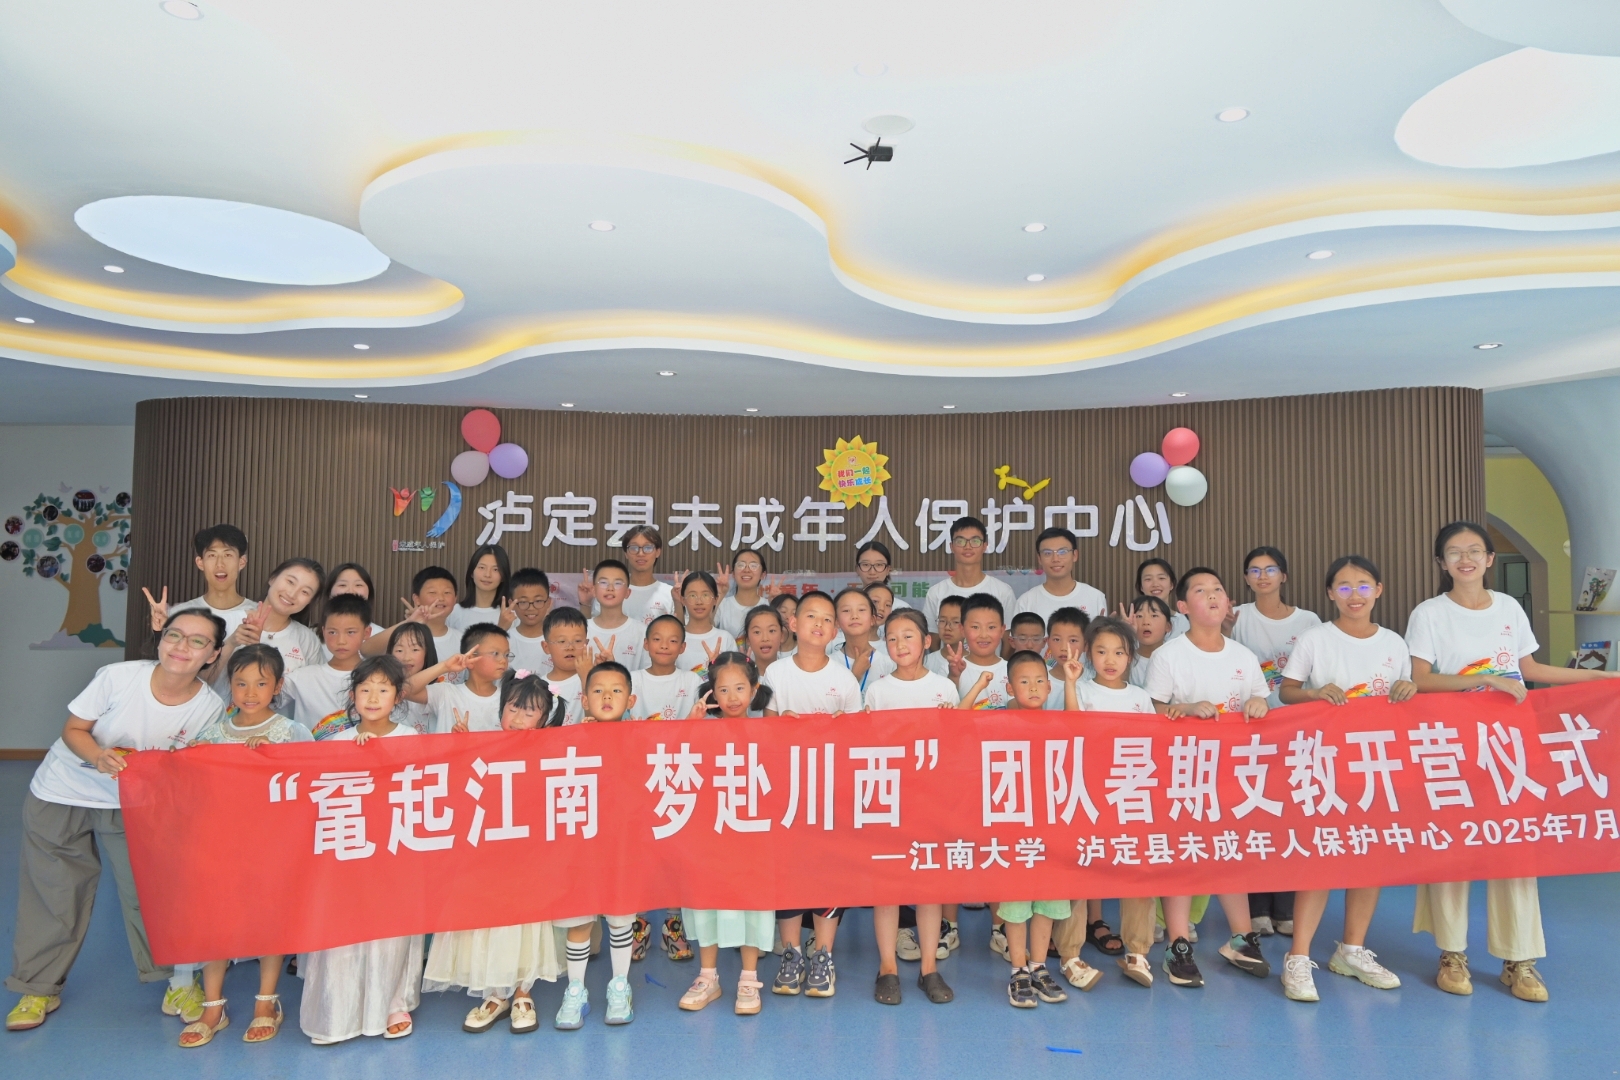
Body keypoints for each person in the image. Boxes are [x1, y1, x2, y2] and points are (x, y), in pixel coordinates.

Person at [1406, 520, 1620, 1002]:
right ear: (1442, 563)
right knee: (1455, 845)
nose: (1465, 559)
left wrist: (1604, 681)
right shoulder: (1429, 613)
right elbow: (1420, 680)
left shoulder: (1508, 608)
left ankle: (1519, 960)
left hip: (1512, 747)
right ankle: (1452, 954)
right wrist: (1485, 681)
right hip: (1454, 745)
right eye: (1454, 552)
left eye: (1474, 551)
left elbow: (1531, 670)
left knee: (1516, 846)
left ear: (1489, 559)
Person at [6, 610, 226, 1034]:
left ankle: (178, 983)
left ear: (213, 654)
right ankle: (38, 987)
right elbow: (74, 729)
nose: (181, 647)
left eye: (198, 641)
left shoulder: (208, 707)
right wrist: (97, 756)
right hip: (61, 792)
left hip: (133, 803)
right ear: (161, 639)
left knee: (150, 893)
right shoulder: (118, 677)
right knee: (55, 894)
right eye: (174, 635)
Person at [1273, 555, 1411, 1002]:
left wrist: (1409, 689)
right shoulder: (1316, 639)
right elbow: (1286, 691)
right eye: (1345, 587)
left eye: (1364, 585)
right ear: (1331, 593)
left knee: (1369, 857)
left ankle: (1351, 950)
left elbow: (1405, 697)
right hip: (1325, 764)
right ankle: (1297, 956)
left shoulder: (1394, 643)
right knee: (1321, 857)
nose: (1355, 595)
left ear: (1379, 590)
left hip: (1377, 765)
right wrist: (1314, 693)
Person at [177, 645, 311, 1047]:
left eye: (261, 683)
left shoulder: (292, 733)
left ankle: (266, 1002)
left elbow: (311, 785)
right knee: (215, 921)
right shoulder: (212, 734)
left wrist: (274, 759)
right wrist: (188, 760)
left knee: (270, 920)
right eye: (240, 683)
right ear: (229, 685)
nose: (250, 692)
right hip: (220, 846)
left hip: (272, 848)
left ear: (278, 686)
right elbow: (189, 789)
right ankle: (212, 1007)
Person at [1144, 567, 1270, 988]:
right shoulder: (1169, 656)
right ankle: (1178, 946)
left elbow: (1260, 700)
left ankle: (1242, 938)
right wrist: (1184, 710)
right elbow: (1152, 711)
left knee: (1229, 851)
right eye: (1200, 590)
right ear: (1182, 606)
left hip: (1234, 773)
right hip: (1183, 772)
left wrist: (1258, 705)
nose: (1212, 595)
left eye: (1218, 589)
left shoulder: (1243, 656)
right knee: (1184, 854)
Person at [423, 671, 564, 1034]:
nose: (518, 717)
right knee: (489, 920)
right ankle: (495, 993)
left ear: (544, 718)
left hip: (530, 855)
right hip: (486, 854)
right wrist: (461, 750)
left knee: (526, 921)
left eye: (529, 712)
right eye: (513, 708)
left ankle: (523, 993)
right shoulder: (482, 745)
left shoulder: (552, 751)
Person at [297, 657, 424, 1043]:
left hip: (394, 849)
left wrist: (379, 758)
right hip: (347, 850)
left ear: (398, 697)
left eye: (383, 689)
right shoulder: (335, 742)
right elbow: (316, 797)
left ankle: (393, 1002)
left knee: (391, 928)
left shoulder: (411, 739)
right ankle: (337, 1010)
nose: (372, 697)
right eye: (365, 689)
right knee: (343, 927)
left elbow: (420, 791)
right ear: (352, 696)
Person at [762, 591, 861, 1000]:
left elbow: (858, 741)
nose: (818, 624)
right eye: (810, 617)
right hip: (786, 793)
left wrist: (842, 729)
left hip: (831, 793)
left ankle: (823, 954)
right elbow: (765, 732)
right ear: (793, 624)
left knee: (827, 871)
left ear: (835, 631)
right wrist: (781, 724)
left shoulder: (845, 680)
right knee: (787, 873)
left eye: (826, 619)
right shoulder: (776, 674)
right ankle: (791, 954)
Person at [1049, 617, 1156, 986]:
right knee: (1078, 872)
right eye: (1101, 651)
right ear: (1088, 654)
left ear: (1131, 657)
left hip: (1131, 796)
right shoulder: (1081, 690)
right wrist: (1071, 683)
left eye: (1119, 652)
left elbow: (1154, 746)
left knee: (1137, 872)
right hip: (1087, 796)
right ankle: (1070, 955)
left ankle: (1138, 951)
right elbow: (1071, 730)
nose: (1110, 660)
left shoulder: (1141, 698)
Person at [863, 609, 957, 1006]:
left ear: (926, 641)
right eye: (892, 638)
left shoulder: (944, 688)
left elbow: (955, 747)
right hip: (888, 798)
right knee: (887, 887)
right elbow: (866, 745)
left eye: (908, 636)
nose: (900, 644)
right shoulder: (878, 691)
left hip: (933, 799)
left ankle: (928, 968)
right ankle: (887, 967)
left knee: (929, 887)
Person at [677, 653, 780, 1016]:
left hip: (753, 836)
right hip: (710, 835)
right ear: (711, 692)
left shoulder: (770, 732)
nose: (732, 697)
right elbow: (672, 766)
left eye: (740, 688)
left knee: (751, 902)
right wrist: (689, 728)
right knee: (707, 899)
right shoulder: (702, 731)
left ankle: (749, 979)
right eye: (723, 690)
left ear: (754, 689)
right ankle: (708, 976)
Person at [1230, 546, 1320, 938]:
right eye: (1254, 570)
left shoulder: (1309, 621)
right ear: (1246, 578)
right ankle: (1256, 908)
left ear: (1284, 575)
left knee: (1291, 816)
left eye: (1270, 569)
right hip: (1249, 731)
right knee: (1253, 814)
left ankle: (1286, 906)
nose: (1263, 576)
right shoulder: (1237, 617)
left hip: (1297, 730)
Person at [991, 651, 1090, 1007]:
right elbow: (957, 726)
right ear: (1009, 688)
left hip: (1052, 829)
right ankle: (1018, 970)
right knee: (1016, 904)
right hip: (1014, 829)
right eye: (1023, 681)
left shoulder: (1057, 721)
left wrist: (1072, 683)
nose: (1033, 687)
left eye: (1039, 681)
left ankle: (1038, 966)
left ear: (1050, 687)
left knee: (1047, 902)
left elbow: (1078, 730)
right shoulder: (999, 721)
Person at [553, 662, 641, 1029]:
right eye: (598, 690)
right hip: (579, 849)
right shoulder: (569, 740)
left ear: (630, 700)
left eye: (616, 690)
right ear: (584, 700)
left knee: (620, 919)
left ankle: (620, 986)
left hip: (622, 849)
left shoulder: (640, 738)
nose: (607, 696)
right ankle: (576, 990)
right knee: (579, 920)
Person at [212, 558, 326, 690]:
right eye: (290, 582)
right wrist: (231, 643)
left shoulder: (308, 640)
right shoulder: (224, 622)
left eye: (305, 592)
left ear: (310, 601)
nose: (292, 594)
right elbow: (199, 678)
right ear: (272, 578)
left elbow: (317, 689)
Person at [142, 523, 256, 639]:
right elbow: (163, 650)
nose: (220, 564)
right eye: (212, 555)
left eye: (227, 555)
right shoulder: (179, 614)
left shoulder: (257, 615)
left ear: (241, 562)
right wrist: (161, 631)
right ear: (200, 563)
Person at [284, 594, 372, 739]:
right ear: (323, 632)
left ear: (366, 632)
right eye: (332, 632)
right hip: (311, 754)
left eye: (350, 632)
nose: (341, 641)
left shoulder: (379, 677)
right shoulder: (302, 677)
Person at [404, 623, 511, 732]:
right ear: (471, 658)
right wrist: (445, 666)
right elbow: (405, 690)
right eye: (495, 653)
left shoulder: (510, 699)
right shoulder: (446, 694)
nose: (503, 660)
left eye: (507, 655)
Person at [923, 517, 1016, 633]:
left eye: (975, 541)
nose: (968, 547)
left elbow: (1008, 638)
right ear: (951, 546)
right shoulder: (936, 593)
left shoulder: (1003, 592)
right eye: (960, 541)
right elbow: (933, 638)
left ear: (984, 546)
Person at [362, 565, 460, 664]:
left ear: (455, 598)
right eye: (432, 592)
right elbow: (366, 651)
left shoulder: (461, 639)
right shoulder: (402, 636)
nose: (441, 598)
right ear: (417, 599)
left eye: (447, 592)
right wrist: (410, 622)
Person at [1015, 527, 1108, 624]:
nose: (1055, 559)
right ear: (1039, 558)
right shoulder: (1026, 602)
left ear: (1075, 555)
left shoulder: (1095, 597)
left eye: (1062, 552)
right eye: (1047, 553)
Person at [582, 560, 649, 672]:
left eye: (618, 583)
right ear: (593, 590)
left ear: (627, 592)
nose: (610, 588)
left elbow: (647, 675)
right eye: (603, 582)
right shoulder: (582, 630)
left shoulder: (642, 632)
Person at [633, 614, 703, 721]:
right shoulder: (632, 680)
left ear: (682, 647)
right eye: (657, 639)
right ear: (646, 644)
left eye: (673, 641)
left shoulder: (692, 680)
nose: (664, 646)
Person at [833, 587, 894, 704]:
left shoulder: (888, 664)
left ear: (872, 619)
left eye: (861, 610)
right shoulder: (829, 664)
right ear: (837, 621)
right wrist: (855, 675)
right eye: (846, 610)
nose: (854, 616)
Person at [955, 594, 1012, 709]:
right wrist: (954, 676)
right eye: (975, 627)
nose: (984, 635)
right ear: (962, 630)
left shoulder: (1012, 670)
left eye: (991, 627)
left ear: (1002, 631)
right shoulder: (953, 670)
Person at [674, 571, 734, 678]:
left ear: (715, 599)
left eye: (705, 595)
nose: (699, 602)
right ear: (683, 600)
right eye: (692, 595)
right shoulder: (674, 638)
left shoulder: (726, 638)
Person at [617, 525, 677, 626]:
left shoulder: (670, 594)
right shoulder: (613, 591)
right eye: (634, 548)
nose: (640, 553)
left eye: (648, 548)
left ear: (658, 552)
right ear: (626, 553)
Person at [385, 622, 437, 735]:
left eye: (415, 649)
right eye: (399, 650)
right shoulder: (382, 689)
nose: (406, 658)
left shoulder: (437, 691)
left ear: (428, 652)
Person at [448, 543, 513, 633]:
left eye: (495, 569)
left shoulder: (511, 615)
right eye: (482, 567)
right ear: (472, 572)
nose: (487, 574)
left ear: (503, 576)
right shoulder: (454, 612)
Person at [505, 568, 553, 678]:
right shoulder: (505, 640)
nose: (531, 608)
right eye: (523, 602)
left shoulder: (557, 640)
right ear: (512, 604)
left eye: (538, 601)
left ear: (548, 602)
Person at [321, 563, 386, 639]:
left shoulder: (382, 636)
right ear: (329, 592)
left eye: (358, 585)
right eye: (342, 585)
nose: (350, 591)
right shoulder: (312, 636)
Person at [716, 550, 770, 639]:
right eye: (741, 565)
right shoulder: (722, 604)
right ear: (733, 573)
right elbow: (704, 628)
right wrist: (720, 595)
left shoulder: (769, 605)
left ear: (762, 575)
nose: (747, 570)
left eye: (753, 566)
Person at [1130, 558, 1189, 638]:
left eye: (1161, 578)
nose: (1155, 584)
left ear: (1171, 584)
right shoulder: (1131, 622)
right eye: (1148, 579)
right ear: (1141, 587)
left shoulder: (1185, 622)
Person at [1126, 594, 1174, 687]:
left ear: (1168, 626)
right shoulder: (1125, 659)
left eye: (1154, 615)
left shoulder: (1177, 659)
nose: (1146, 622)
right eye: (1139, 616)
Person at [854, 540, 910, 608]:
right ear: (857, 569)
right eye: (866, 564)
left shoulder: (901, 608)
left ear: (888, 570)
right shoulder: (847, 604)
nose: (872, 572)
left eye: (879, 565)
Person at [924, 595, 967, 680]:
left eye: (955, 622)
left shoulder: (976, 662)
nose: (947, 627)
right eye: (942, 621)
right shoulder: (925, 662)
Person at [742, 605, 786, 674]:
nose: (765, 638)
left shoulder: (791, 672)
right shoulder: (742, 676)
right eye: (757, 632)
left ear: (782, 636)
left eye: (771, 631)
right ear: (748, 639)